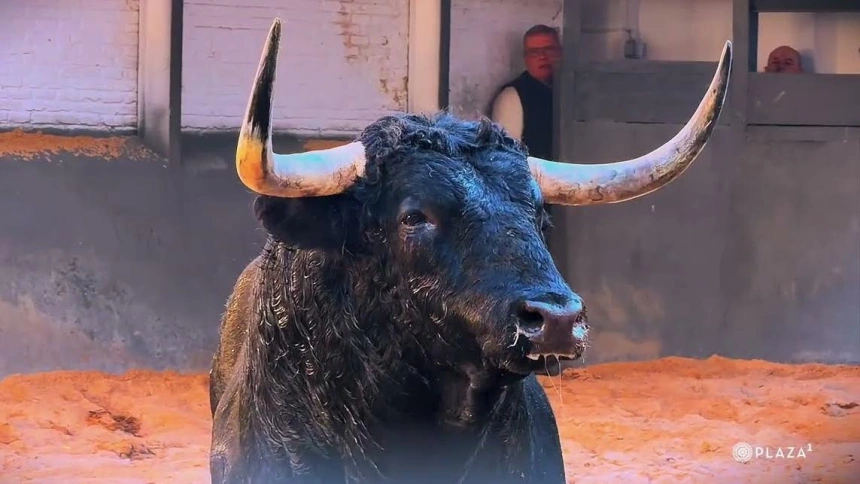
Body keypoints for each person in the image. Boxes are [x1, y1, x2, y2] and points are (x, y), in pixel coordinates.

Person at [490, 24, 562, 160]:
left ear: (561, 53)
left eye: (549, 49)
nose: (543, 57)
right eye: (534, 52)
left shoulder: (573, 91)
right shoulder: (511, 98)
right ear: (526, 58)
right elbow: (505, 158)